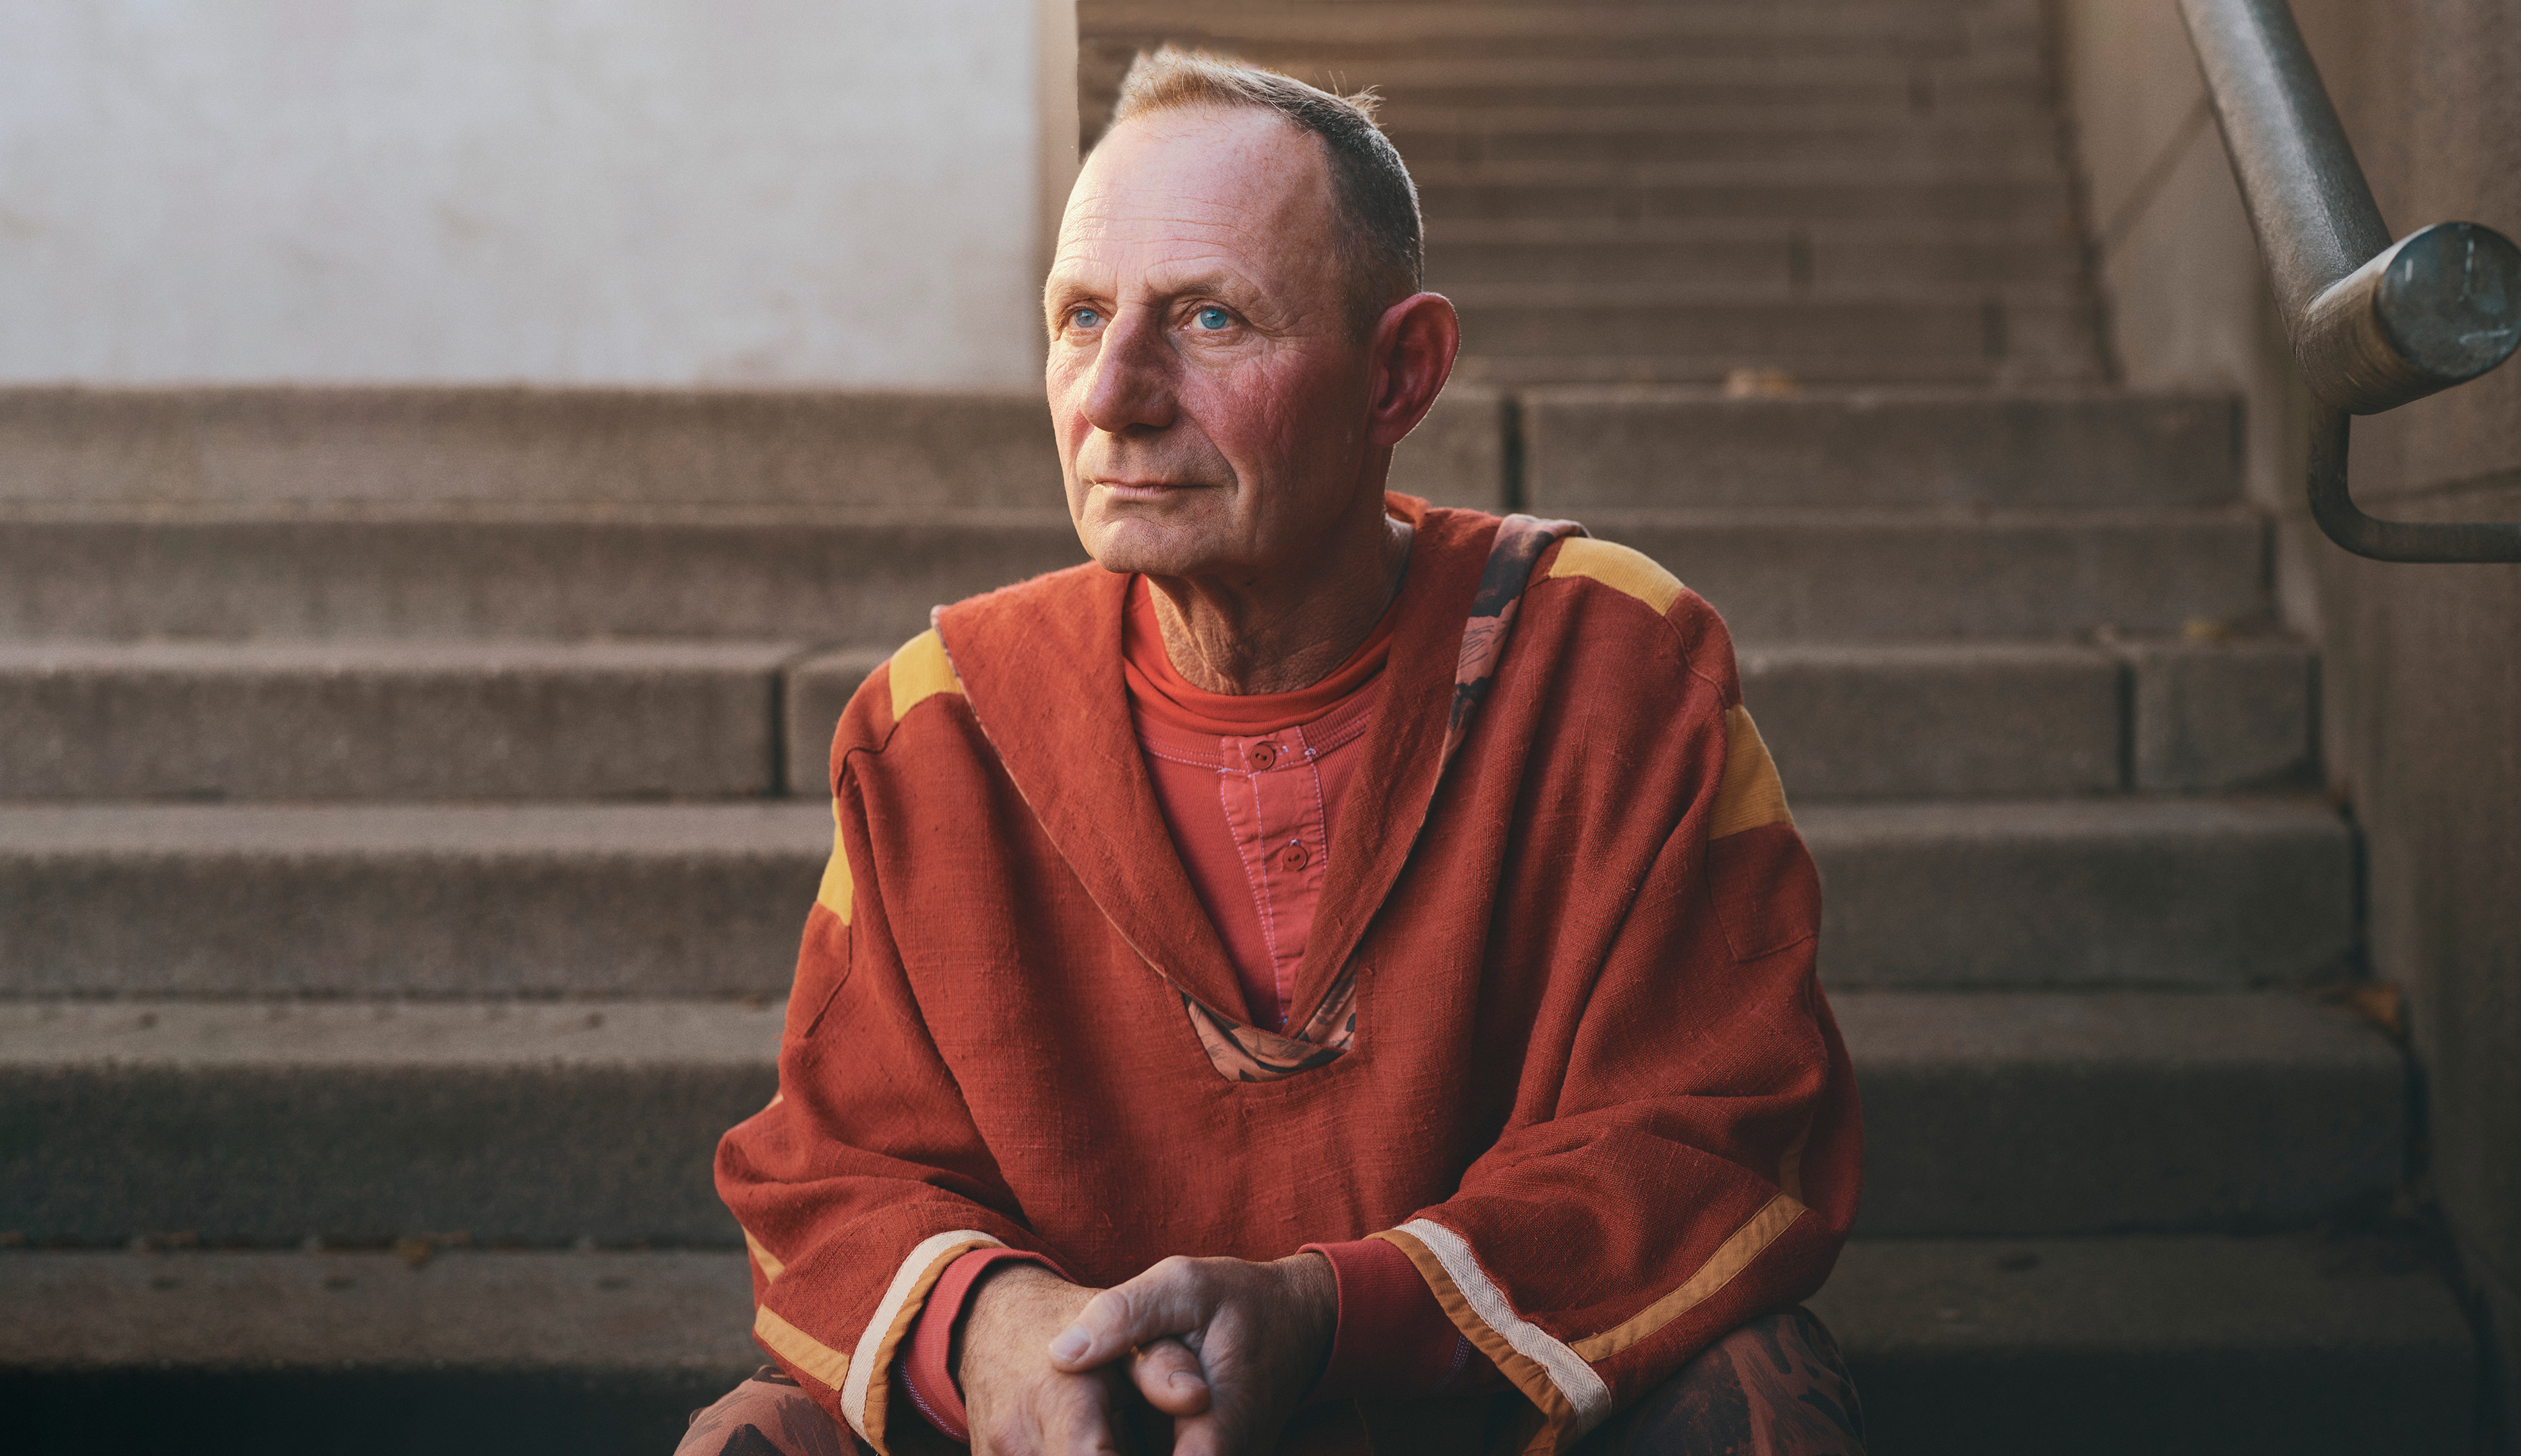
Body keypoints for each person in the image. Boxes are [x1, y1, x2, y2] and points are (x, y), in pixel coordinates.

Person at [679, 49, 1863, 1456]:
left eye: (1211, 318)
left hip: (1493, 1420)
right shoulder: (934, 725)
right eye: (1080, 318)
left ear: (1399, 373)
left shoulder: (1617, 666)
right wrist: (995, 1331)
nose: (1114, 395)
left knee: (1759, 1398)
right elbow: (829, 1171)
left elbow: (1719, 1121)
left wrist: (1330, 1310)